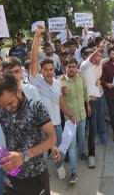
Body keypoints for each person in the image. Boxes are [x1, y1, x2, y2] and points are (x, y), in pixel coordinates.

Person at [0, 74, 57, 195]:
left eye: (10, 103)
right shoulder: (0, 109)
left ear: (19, 91)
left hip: (36, 175)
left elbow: (52, 139)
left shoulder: (36, 107)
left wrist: (24, 155)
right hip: (12, 175)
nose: (7, 108)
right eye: (3, 105)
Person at [30, 24, 75, 180]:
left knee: (59, 150)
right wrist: (37, 36)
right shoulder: (36, 82)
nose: (49, 72)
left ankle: (59, 167)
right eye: (46, 69)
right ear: (41, 71)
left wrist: (71, 114)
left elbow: (61, 103)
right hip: (41, 125)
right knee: (41, 153)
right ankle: (41, 176)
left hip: (56, 125)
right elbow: (34, 60)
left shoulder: (57, 84)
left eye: (51, 69)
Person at [59, 57, 91, 184]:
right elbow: (59, 99)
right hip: (70, 120)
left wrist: (88, 104)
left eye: (73, 66)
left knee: (82, 136)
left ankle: (82, 152)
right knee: (72, 146)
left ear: (76, 67)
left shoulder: (80, 77)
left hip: (82, 115)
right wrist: (60, 90)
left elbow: (85, 92)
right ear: (65, 68)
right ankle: (73, 172)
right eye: (69, 67)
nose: (71, 69)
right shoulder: (61, 83)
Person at [79, 44, 106, 168]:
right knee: (92, 128)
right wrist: (99, 47)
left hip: (98, 99)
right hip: (89, 102)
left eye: (100, 56)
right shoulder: (84, 65)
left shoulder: (96, 67)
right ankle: (91, 155)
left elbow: (94, 82)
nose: (98, 58)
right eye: (96, 56)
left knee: (96, 126)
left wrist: (98, 82)